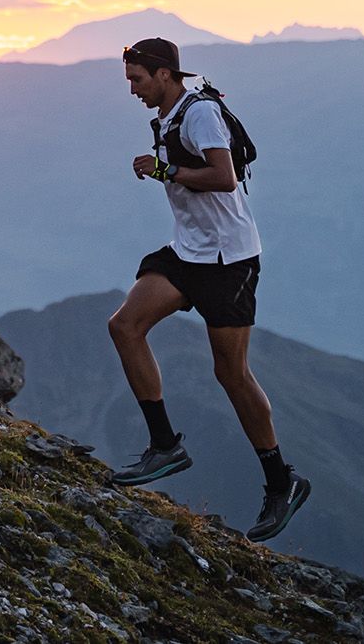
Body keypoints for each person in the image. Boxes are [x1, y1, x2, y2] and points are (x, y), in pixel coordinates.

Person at [104, 37, 311, 543]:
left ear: (164, 74)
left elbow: (224, 175)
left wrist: (164, 170)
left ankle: (282, 482)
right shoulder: (173, 115)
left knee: (231, 373)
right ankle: (164, 444)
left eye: (137, 80)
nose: (132, 90)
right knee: (125, 326)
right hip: (189, 251)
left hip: (229, 259)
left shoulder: (199, 114)